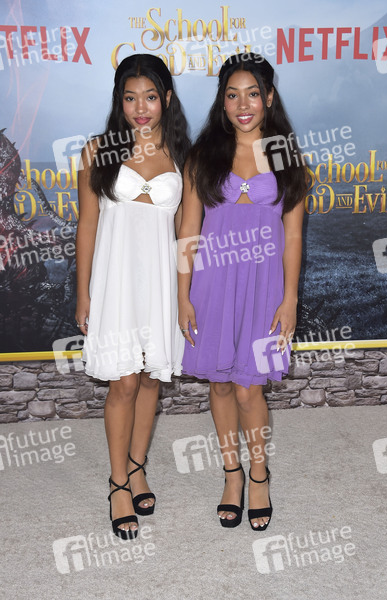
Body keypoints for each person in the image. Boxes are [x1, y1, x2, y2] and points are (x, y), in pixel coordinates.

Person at [178, 52, 307, 531]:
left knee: (250, 388)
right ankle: (231, 474)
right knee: (220, 383)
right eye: (232, 95)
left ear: (269, 97)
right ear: (223, 102)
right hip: (212, 284)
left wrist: (290, 299)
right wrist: (183, 295)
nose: (243, 104)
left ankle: (258, 475)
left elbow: (293, 237)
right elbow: (188, 231)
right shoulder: (203, 157)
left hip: (264, 288)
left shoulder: (287, 158)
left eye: (253, 93)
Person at [75, 53, 190, 539]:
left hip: (159, 284)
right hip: (115, 282)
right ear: (118, 101)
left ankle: (138, 466)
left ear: (166, 98)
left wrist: (185, 295)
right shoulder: (97, 150)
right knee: (123, 382)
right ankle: (118, 482)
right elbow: (87, 225)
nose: (140, 108)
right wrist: (83, 294)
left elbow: (186, 237)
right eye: (130, 98)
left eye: (150, 97)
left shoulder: (183, 157)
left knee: (149, 381)